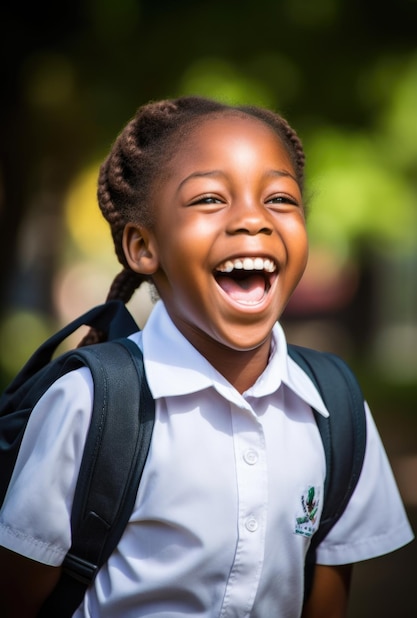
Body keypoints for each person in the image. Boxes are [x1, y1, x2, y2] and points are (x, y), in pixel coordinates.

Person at [0, 95, 413, 618]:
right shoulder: (89, 404)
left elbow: (326, 598)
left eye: (280, 199)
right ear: (143, 247)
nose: (253, 220)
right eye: (211, 199)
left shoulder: (334, 407)